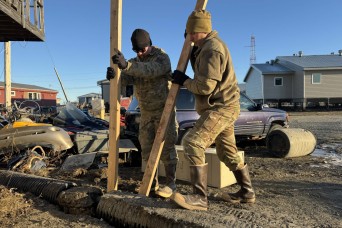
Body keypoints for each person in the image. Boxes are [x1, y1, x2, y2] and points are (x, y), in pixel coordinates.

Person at [170, 10, 256, 211]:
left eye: (192, 33)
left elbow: (205, 87)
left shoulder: (212, 49)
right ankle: (247, 191)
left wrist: (184, 81)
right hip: (223, 106)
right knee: (226, 152)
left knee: (192, 142)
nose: (189, 37)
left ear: (202, 30)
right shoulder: (204, 48)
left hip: (221, 108)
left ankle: (200, 198)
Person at [106, 28, 178, 198]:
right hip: (145, 112)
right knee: (146, 148)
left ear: (149, 44)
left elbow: (150, 70)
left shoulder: (162, 57)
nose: (139, 53)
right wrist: (114, 75)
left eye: (142, 49)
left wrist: (127, 66)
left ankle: (171, 184)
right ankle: (151, 184)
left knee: (167, 148)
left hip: (164, 110)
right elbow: (125, 79)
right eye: (136, 51)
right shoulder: (134, 61)